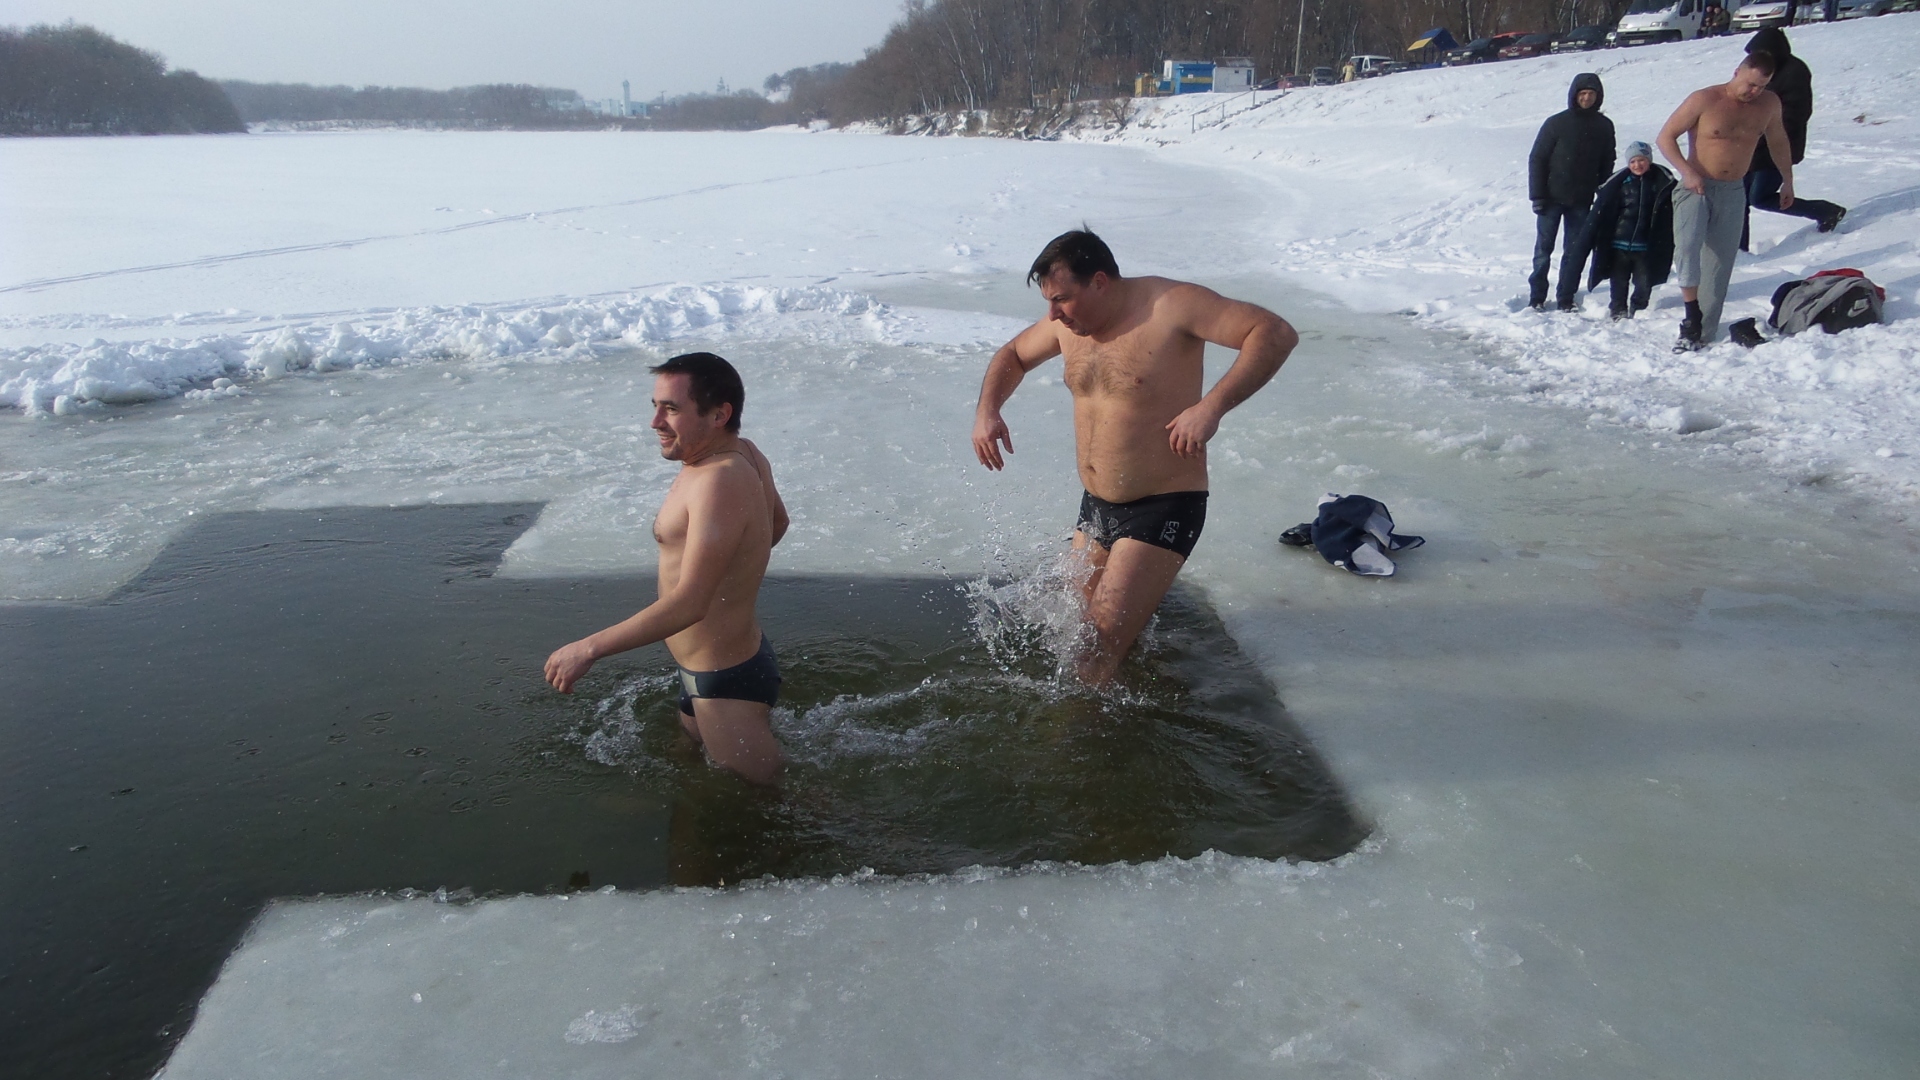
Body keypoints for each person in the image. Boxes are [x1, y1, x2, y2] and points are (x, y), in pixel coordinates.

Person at [970, 229, 1298, 685]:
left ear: (1099, 282)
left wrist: (1211, 408)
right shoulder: (1067, 327)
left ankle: (1080, 730)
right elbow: (1013, 354)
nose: (1053, 314)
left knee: (1091, 656)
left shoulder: (1171, 307)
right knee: (1071, 635)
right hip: (1095, 507)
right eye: (1049, 302)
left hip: (1161, 506)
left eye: (1062, 299)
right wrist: (987, 411)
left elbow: (1274, 333)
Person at [544, 352, 789, 786]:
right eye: (655, 406)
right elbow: (777, 524)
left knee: (774, 804)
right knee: (694, 778)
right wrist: (732, 570)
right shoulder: (744, 453)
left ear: (719, 414)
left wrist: (588, 649)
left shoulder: (719, 479)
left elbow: (691, 604)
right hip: (711, 666)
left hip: (723, 681)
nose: (655, 422)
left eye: (671, 409)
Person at [1656, 52, 1795, 350]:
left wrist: (1788, 179)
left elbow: (1778, 140)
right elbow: (1665, 137)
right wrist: (1687, 172)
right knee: (1688, 246)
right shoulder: (1704, 99)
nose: (1753, 91)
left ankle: (1702, 332)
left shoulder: (1769, 104)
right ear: (1736, 72)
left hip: (1733, 190)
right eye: (1750, 84)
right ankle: (1690, 317)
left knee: (1720, 262)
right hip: (1696, 185)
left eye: (1761, 86)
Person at [1739, 28, 1846, 252]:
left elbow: (1796, 113)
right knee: (1739, 198)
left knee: (1759, 197)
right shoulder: (1759, 71)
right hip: (1751, 144)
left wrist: (1766, 132)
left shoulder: (1794, 71)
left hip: (1780, 145)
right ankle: (1739, 250)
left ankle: (1825, 210)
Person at [1528, 73, 1616, 312]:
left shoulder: (1604, 125)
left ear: (1598, 96)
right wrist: (1537, 195)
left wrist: (1603, 191)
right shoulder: (1556, 123)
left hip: (1581, 199)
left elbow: (1607, 160)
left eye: (1591, 94)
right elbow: (1537, 158)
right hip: (1550, 198)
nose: (1586, 98)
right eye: (1582, 93)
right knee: (1543, 250)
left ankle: (1566, 296)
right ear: (1574, 95)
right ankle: (1537, 297)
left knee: (1574, 251)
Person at [1575, 141, 1677, 320]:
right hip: (1619, 243)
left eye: (1641, 160)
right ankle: (1618, 309)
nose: (1637, 165)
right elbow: (1608, 209)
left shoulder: (1660, 183)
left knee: (1644, 281)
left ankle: (1639, 307)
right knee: (1619, 280)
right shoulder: (1621, 183)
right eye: (1632, 162)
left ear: (1649, 160)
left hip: (1645, 245)